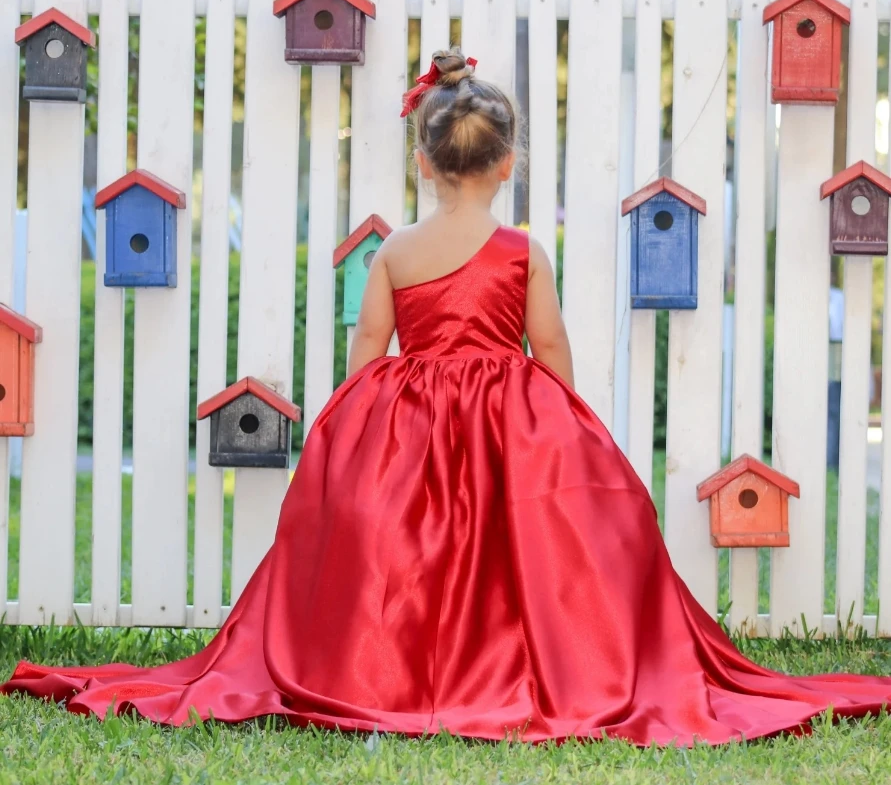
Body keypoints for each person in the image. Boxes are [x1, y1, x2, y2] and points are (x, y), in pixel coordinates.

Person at [3, 48, 891, 747]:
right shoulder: (518, 251)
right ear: (505, 164)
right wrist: (561, 428)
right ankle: (512, 659)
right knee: (513, 552)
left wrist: (355, 431)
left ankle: (392, 664)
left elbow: (366, 352)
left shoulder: (394, 252)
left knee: (413, 547)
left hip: (412, 424)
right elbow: (547, 346)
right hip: (510, 417)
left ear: (424, 162)